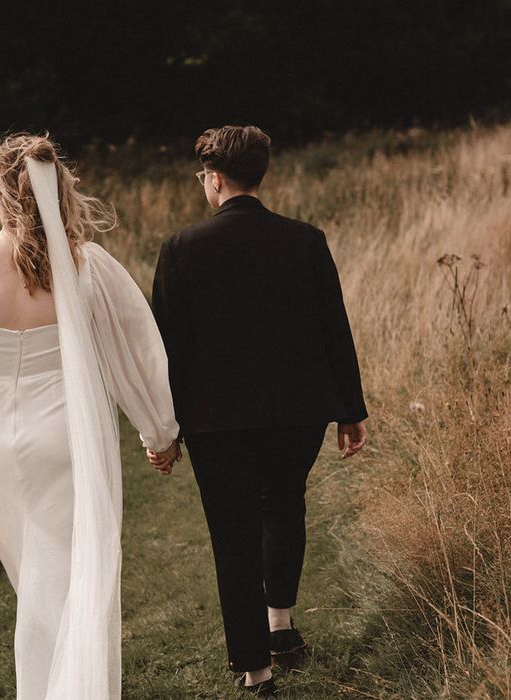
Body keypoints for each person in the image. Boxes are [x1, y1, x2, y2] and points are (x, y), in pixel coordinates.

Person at [0, 133, 180, 700]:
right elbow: (138, 351)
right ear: (60, 188)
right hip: (65, 433)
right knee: (76, 579)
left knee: (35, 579)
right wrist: (160, 431)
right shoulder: (88, 265)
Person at [149, 125, 368, 697]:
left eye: (203, 175)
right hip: (299, 414)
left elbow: (169, 350)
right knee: (284, 504)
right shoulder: (306, 240)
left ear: (214, 178)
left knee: (233, 535)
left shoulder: (180, 249)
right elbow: (333, 330)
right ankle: (280, 626)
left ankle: (258, 669)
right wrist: (351, 409)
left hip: (218, 423)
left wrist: (165, 429)